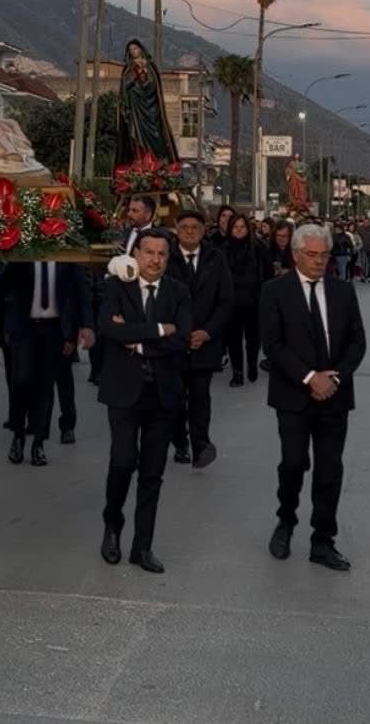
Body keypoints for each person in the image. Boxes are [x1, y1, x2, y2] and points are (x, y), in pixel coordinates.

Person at [260, 223, 366, 572]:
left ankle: (323, 540)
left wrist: (334, 377)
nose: (319, 261)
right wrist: (309, 378)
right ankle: (286, 520)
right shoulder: (274, 291)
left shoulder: (343, 291)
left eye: (324, 255)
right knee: (293, 464)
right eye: (312, 255)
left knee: (329, 470)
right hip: (292, 394)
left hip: (334, 395)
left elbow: (357, 343)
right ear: (295, 255)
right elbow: (273, 345)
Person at [98, 230, 191, 574]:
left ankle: (142, 547)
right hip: (123, 391)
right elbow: (108, 329)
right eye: (148, 252)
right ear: (135, 253)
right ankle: (112, 524)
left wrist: (136, 338)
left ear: (169, 257)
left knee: (153, 473)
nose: (154, 260)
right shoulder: (115, 287)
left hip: (164, 394)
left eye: (161, 254)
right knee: (122, 462)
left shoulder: (178, 292)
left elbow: (181, 339)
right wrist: (157, 331)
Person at [0, 262, 94, 463]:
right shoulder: (24, 253)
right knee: (20, 381)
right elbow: (3, 284)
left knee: (45, 386)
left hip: (54, 329)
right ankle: (18, 436)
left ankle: (38, 443)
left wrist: (82, 327)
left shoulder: (66, 255)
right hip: (24, 328)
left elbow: (80, 292)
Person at [166, 210, 233, 467]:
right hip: (174, 342)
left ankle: (200, 445)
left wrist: (207, 332)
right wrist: (179, 332)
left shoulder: (216, 258)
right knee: (173, 398)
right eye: (185, 227)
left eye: (195, 227)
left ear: (204, 230)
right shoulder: (167, 257)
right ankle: (179, 441)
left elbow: (226, 301)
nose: (190, 232)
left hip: (205, 342)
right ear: (177, 230)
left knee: (200, 396)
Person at [222, 213, 273, 387]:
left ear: (248, 228)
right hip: (231, 302)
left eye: (242, 227)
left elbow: (268, 275)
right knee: (233, 340)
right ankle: (237, 372)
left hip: (254, 301)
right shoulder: (223, 249)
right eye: (235, 227)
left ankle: (252, 364)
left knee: (253, 339)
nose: (239, 230)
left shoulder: (259, 248)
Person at [115, 39, 179, 170]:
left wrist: (144, 72)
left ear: (141, 49)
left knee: (156, 135)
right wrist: (135, 74)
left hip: (151, 109)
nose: (134, 51)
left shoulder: (150, 67)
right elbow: (125, 87)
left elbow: (153, 86)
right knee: (136, 136)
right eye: (131, 50)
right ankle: (139, 163)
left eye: (135, 48)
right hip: (136, 109)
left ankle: (158, 162)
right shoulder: (128, 69)